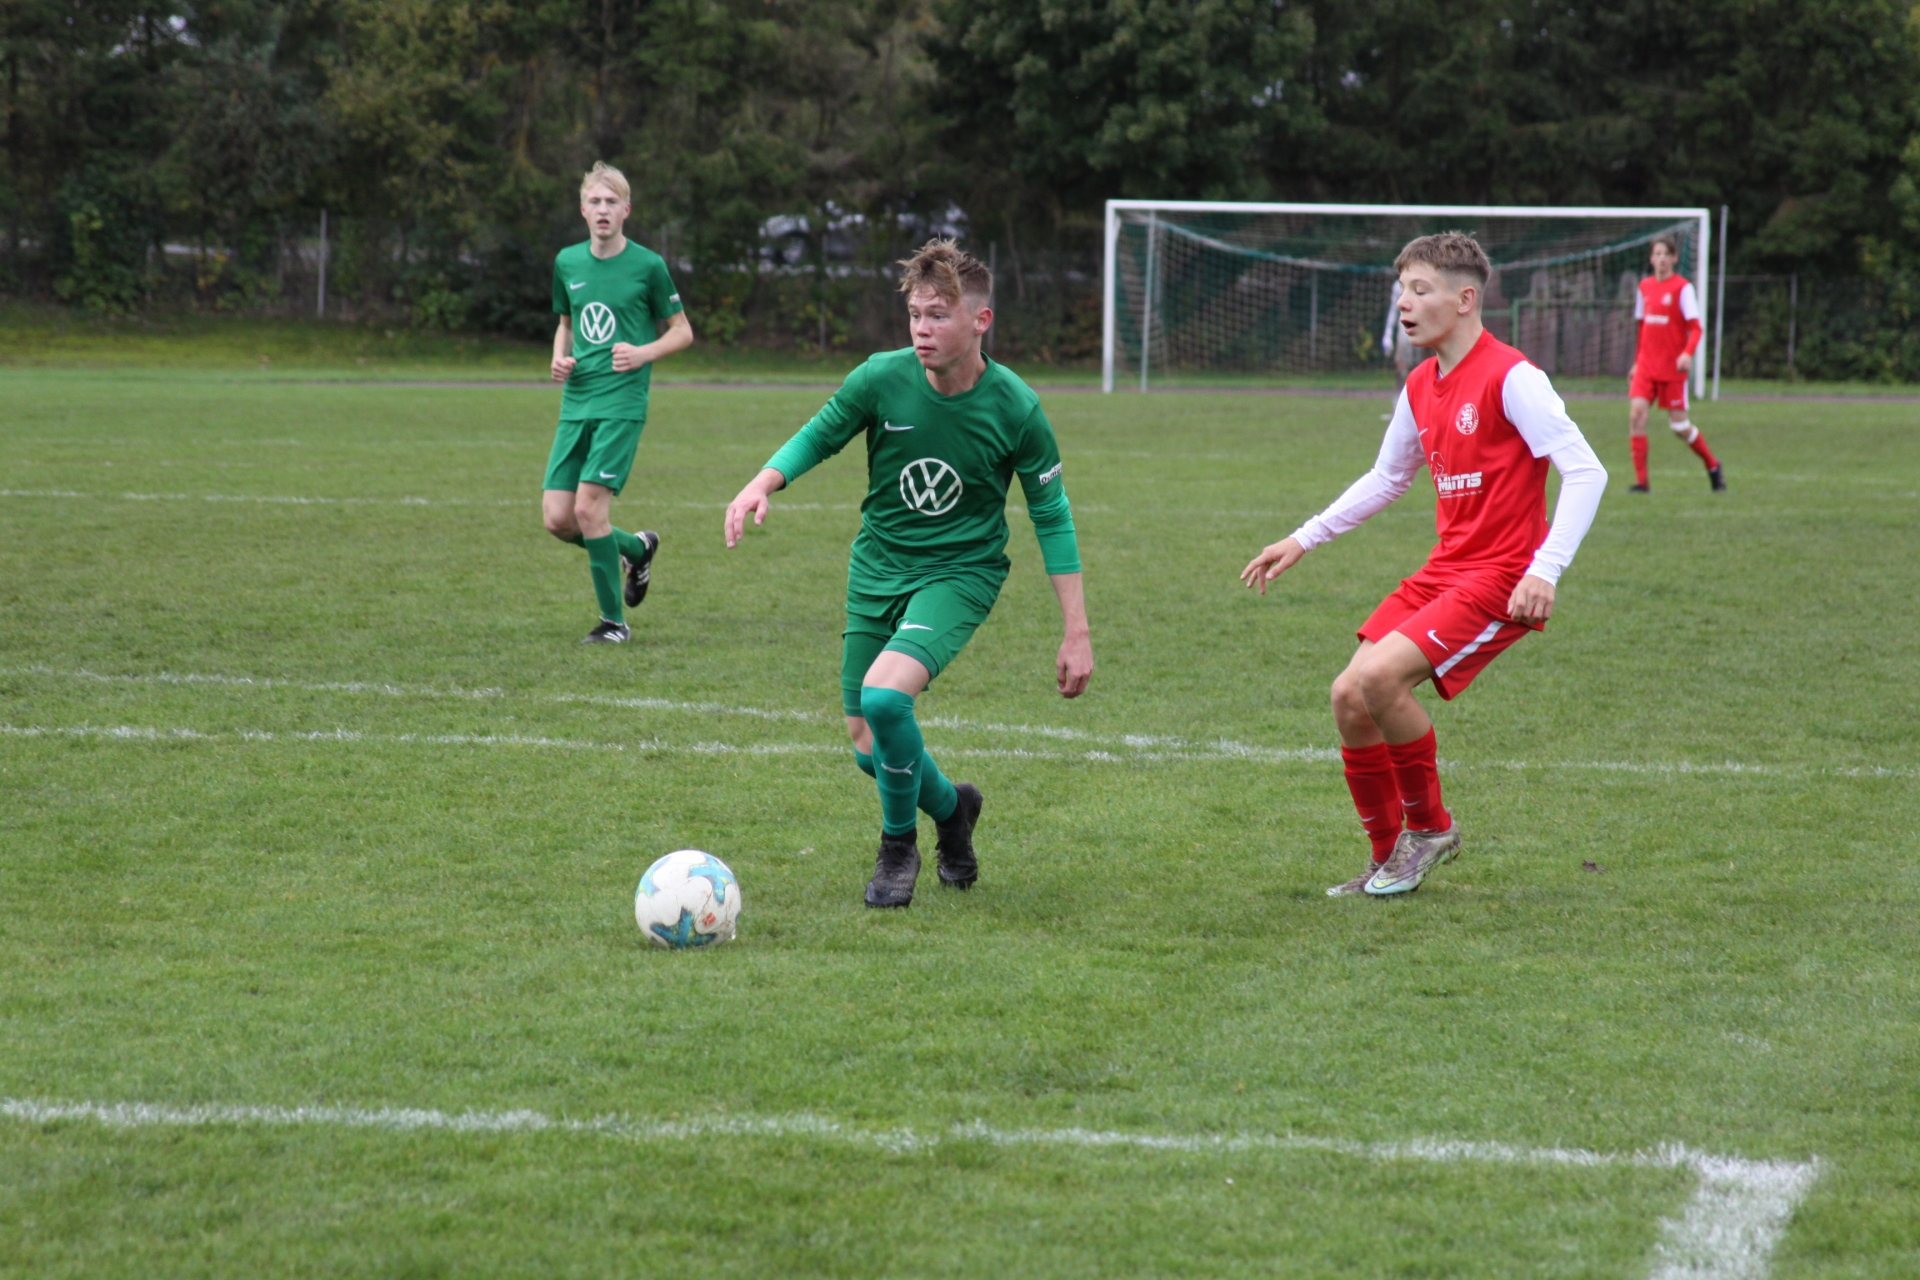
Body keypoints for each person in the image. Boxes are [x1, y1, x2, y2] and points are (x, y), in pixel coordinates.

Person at [723, 239, 1093, 908]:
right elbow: (821, 433)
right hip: (877, 567)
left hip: (960, 574)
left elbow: (1052, 517)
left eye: (938, 316)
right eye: (916, 315)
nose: (922, 329)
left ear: (979, 321)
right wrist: (762, 482)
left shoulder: (1016, 407)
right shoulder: (880, 378)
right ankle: (953, 810)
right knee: (869, 745)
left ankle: (898, 849)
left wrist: (1077, 632)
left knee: (886, 700)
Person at [1241, 232, 1608, 897]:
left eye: (1419, 290)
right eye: (1401, 291)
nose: (1403, 304)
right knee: (1348, 696)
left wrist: (1545, 568)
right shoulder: (1419, 384)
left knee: (1380, 678)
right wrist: (1303, 538)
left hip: (1501, 576)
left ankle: (1432, 830)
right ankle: (1387, 857)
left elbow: (1586, 471)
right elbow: (1388, 478)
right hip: (1446, 570)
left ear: (1465, 299)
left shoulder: (1513, 377)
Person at [543, 161, 696, 643]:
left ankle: (613, 623)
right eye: (595, 201)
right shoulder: (567, 262)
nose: (603, 209)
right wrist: (559, 358)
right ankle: (636, 548)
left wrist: (642, 353)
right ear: (582, 209)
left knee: (589, 511)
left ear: (626, 210)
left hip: (622, 403)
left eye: (612, 201)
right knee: (558, 519)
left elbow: (683, 332)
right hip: (577, 401)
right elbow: (566, 325)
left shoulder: (648, 266)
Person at [1627, 235, 1723, 493]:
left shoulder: (1682, 288)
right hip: (1646, 366)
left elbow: (1696, 328)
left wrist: (1687, 354)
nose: (1661, 259)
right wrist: (1636, 362)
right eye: (1657, 254)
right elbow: (1642, 328)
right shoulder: (1644, 287)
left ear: (1674, 258)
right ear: (1651, 259)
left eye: (1665, 254)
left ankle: (1713, 465)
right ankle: (1642, 483)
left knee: (1680, 427)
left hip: (1672, 369)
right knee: (1636, 415)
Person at [1382, 278, 1421, 391]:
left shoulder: (1424, 283)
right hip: (1404, 330)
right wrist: (1388, 334)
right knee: (1402, 369)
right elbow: (1393, 311)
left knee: (1421, 368)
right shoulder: (1398, 286)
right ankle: (1400, 398)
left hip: (1422, 329)